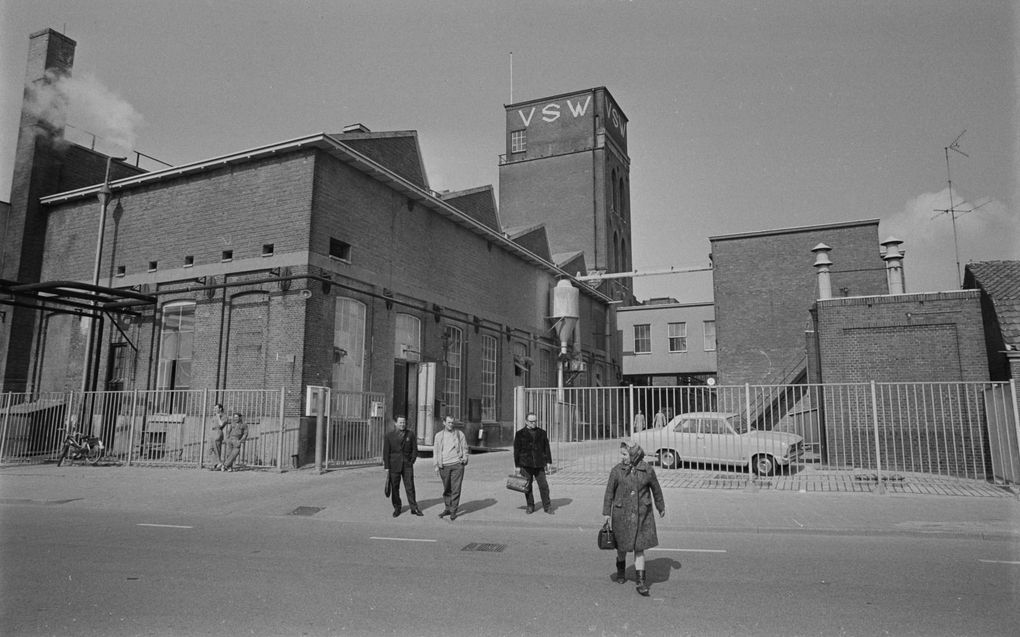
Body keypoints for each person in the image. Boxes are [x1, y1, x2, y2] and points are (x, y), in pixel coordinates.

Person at [602, 439, 666, 597]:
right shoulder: (616, 471)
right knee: (622, 548)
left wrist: (660, 506)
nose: (622, 457)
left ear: (634, 455)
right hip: (621, 515)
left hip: (642, 515)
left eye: (625, 454)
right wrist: (607, 514)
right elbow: (609, 493)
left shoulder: (647, 470)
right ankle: (621, 571)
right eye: (621, 454)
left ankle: (641, 582)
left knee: (639, 549)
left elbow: (656, 489)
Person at [513, 412, 553, 514]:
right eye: (531, 421)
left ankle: (547, 506)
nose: (534, 423)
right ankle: (530, 505)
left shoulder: (542, 433)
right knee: (527, 486)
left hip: (539, 464)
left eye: (535, 421)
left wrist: (548, 461)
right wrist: (517, 466)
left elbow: (546, 448)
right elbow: (516, 451)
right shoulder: (519, 433)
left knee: (544, 486)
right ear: (526, 421)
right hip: (525, 464)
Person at [383, 416, 422, 517]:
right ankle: (397, 507)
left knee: (410, 486)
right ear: (395, 423)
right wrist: (387, 466)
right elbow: (386, 452)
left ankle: (414, 508)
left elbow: (414, 449)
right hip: (394, 465)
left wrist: (412, 460)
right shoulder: (389, 435)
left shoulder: (410, 434)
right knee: (395, 488)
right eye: (400, 423)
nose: (402, 424)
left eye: (404, 422)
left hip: (407, 465)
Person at [433, 415, 468, 520]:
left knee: (456, 489)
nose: (451, 425)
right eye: (449, 422)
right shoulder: (438, 436)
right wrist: (436, 465)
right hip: (444, 465)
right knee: (447, 488)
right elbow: (436, 451)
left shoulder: (459, 434)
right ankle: (447, 508)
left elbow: (465, 448)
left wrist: (464, 458)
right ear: (444, 423)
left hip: (457, 464)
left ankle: (453, 510)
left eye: (452, 423)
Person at [206, 403, 227, 470]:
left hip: (218, 432)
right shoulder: (214, 416)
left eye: (216, 408)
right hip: (212, 432)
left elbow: (221, 425)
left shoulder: (224, 416)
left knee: (216, 450)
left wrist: (218, 417)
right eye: (214, 408)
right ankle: (217, 464)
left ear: (220, 409)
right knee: (209, 450)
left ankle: (218, 464)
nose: (214, 410)